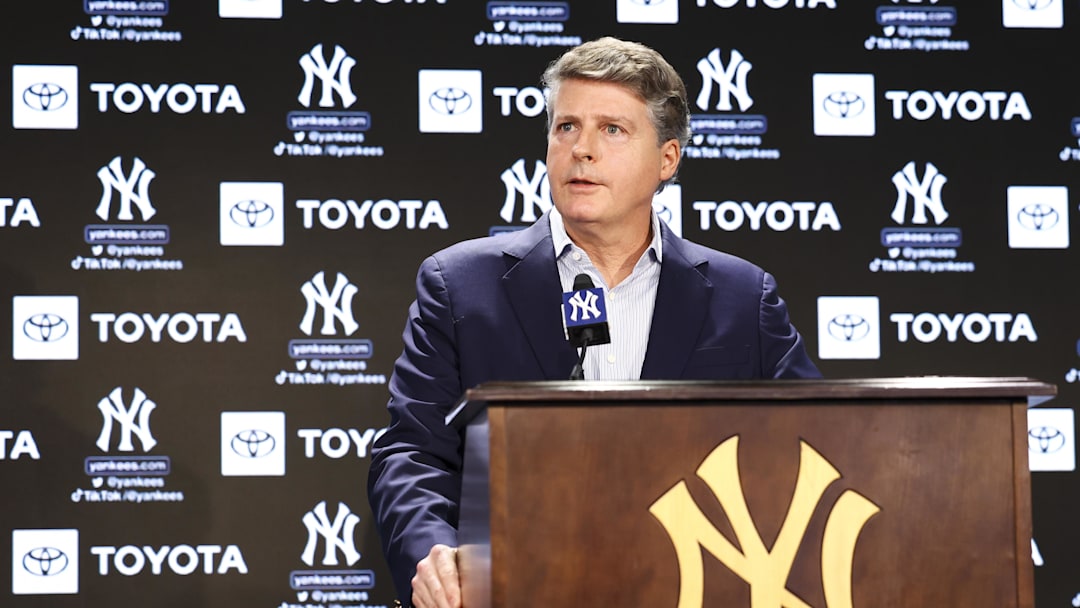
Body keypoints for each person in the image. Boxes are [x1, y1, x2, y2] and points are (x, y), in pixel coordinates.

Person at [367, 37, 821, 608]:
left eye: (612, 130)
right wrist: (433, 552)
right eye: (566, 127)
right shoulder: (459, 286)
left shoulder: (741, 298)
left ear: (667, 160)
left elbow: (810, 453)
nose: (582, 149)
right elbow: (412, 452)